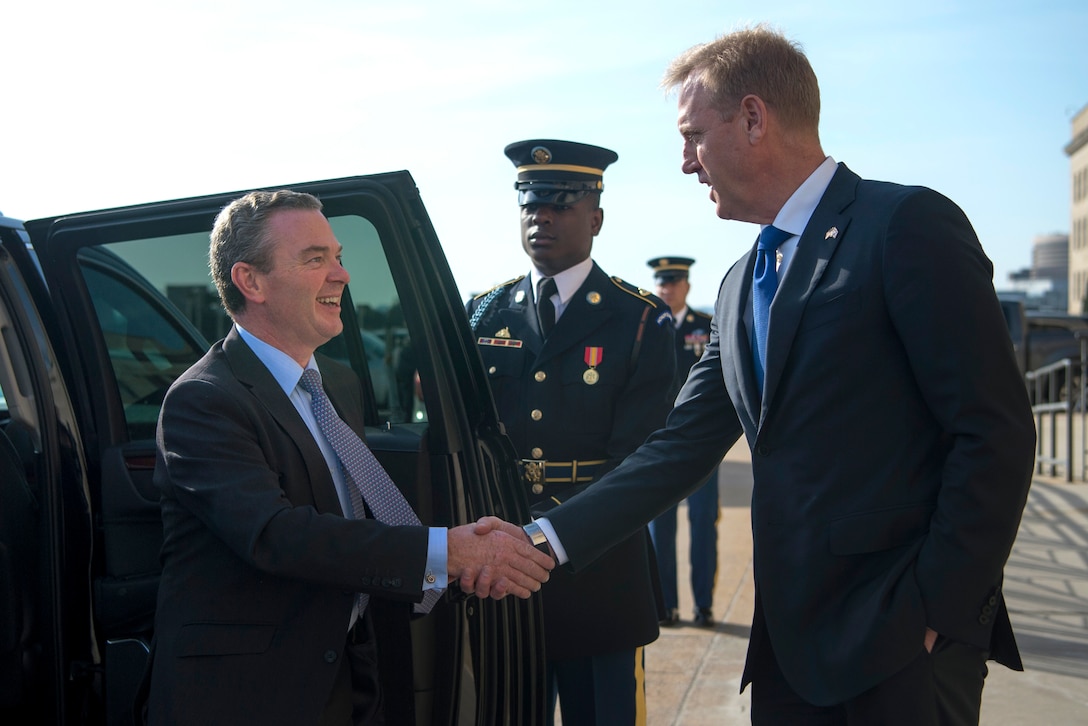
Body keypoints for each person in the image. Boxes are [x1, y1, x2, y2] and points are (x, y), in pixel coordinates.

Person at [506, 26, 1036, 726]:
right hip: (789, 647)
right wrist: (540, 540)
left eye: (694, 135)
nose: (687, 163)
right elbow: (679, 447)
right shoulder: (738, 283)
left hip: (900, 640)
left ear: (754, 118)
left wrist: (939, 609)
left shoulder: (904, 226)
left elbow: (993, 431)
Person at [146, 189, 554, 725]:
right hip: (250, 696)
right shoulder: (204, 400)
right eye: (315, 259)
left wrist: (450, 559)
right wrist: (446, 554)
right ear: (251, 281)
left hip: (350, 676)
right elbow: (278, 535)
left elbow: (353, 520)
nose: (341, 275)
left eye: (338, 257)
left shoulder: (335, 382)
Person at [466, 139, 677, 725]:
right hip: (501, 568)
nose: (542, 218)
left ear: (597, 219)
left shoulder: (640, 319)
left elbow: (640, 456)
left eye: (560, 205)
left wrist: (547, 529)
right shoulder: (482, 313)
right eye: (531, 206)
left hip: (597, 566)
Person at [644, 257, 719, 628]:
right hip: (659, 444)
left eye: (673, 282)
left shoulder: (706, 327)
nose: (666, 288)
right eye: (661, 282)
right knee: (661, 526)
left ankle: (703, 604)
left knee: (704, 522)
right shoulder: (648, 327)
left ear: (687, 286)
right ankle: (666, 606)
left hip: (702, 442)